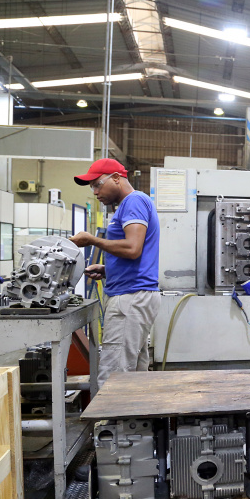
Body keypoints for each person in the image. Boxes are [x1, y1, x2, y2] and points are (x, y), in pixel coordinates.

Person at [69, 158, 160, 386]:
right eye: (92, 187)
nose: (95, 192)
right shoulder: (129, 205)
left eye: (98, 184)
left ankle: (110, 421)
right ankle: (134, 419)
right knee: (133, 372)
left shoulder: (134, 201)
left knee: (114, 375)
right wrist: (108, 269)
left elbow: (132, 248)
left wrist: (91, 240)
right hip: (133, 295)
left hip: (129, 299)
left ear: (117, 178)